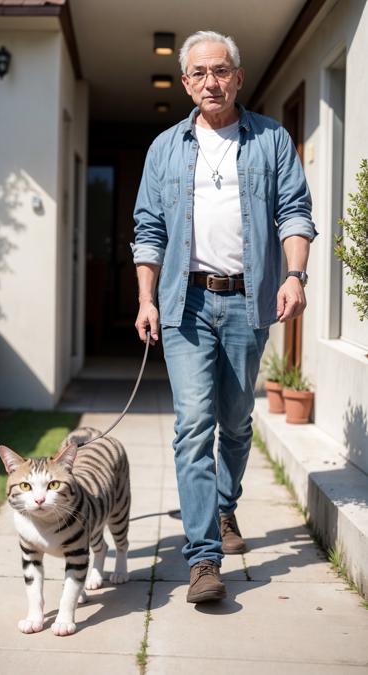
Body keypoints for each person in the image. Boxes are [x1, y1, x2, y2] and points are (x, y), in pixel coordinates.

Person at [132, 30, 317, 604]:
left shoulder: (272, 139)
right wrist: (146, 299)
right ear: (185, 82)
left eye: (220, 71)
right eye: (198, 73)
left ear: (238, 76)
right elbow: (149, 229)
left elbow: (295, 210)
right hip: (184, 304)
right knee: (192, 428)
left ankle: (225, 508)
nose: (210, 81)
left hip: (247, 301)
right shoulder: (164, 148)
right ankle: (203, 559)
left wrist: (294, 275)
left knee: (235, 424)